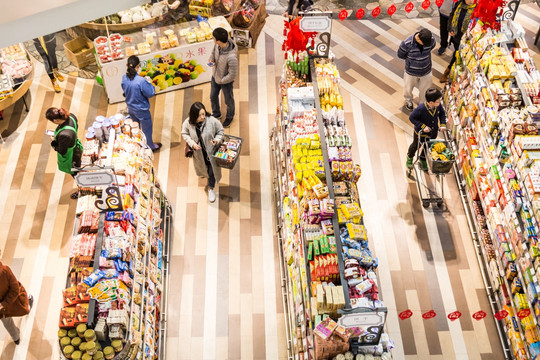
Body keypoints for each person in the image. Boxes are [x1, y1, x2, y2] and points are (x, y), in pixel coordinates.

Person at [182, 102, 224, 203]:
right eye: (199, 115)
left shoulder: (212, 121)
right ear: (194, 115)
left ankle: (211, 188)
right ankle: (204, 173)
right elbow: (185, 133)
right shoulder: (187, 123)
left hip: (211, 153)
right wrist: (192, 144)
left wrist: (216, 140)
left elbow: (220, 131)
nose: (202, 117)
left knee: (211, 171)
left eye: (203, 114)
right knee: (202, 167)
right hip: (199, 154)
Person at [121, 55, 162, 152]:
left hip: (130, 107)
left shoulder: (124, 78)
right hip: (142, 109)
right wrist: (149, 83)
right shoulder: (141, 81)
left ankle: (137, 145)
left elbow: (124, 89)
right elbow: (150, 93)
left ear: (127, 65)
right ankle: (149, 147)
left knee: (136, 126)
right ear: (138, 66)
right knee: (146, 129)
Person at [45, 107, 83, 199]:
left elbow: (61, 150)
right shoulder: (71, 116)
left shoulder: (64, 135)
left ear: (55, 120)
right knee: (79, 171)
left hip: (71, 157)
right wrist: (58, 132)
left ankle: (82, 190)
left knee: (76, 174)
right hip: (76, 147)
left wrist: (53, 141)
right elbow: (72, 130)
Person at [405, 88, 447, 171]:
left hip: (433, 133)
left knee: (427, 147)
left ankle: (423, 159)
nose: (439, 102)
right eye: (438, 101)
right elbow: (412, 118)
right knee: (415, 146)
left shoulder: (438, 107)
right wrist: (423, 126)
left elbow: (442, 114)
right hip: (420, 133)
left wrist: (443, 124)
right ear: (431, 102)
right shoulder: (421, 109)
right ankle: (410, 158)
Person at [397, 28, 436, 111]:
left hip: (426, 70)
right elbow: (400, 54)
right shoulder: (407, 43)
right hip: (411, 72)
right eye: (424, 43)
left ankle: (422, 104)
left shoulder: (430, 40)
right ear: (418, 38)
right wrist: (412, 62)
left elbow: (432, 45)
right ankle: (408, 101)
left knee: (425, 90)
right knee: (408, 88)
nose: (426, 45)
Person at [439, 0, 477, 83]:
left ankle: (447, 72)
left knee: (457, 54)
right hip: (456, 36)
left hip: (466, 39)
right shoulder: (459, 4)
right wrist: (450, 28)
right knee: (457, 53)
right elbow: (452, 16)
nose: (471, 1)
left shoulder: (476, 9)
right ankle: (449, 72)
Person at [208, 28, 238, 128]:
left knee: (228, 101)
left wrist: (221, 80)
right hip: (215, 76)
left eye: (213, 38)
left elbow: (232, 74)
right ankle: (216, 113)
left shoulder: (231, 57)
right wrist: (211, 60)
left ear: (218, 40)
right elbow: (212, 53)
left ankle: (230, 116)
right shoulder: (217, 45)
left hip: (225, 81)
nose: (213, 39)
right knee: (213, 96)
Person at [0, 258, 33, 345]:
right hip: (11, 301)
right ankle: (28, 307)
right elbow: (15, 289)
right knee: (23, 305)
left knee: (7, 322)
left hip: (1, 310)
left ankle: (16, 338)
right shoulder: (4, 271)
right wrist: (4, 304)